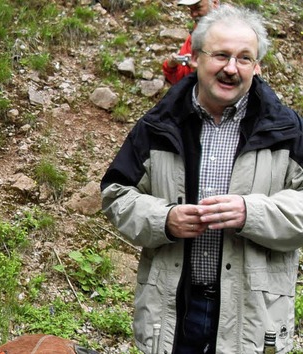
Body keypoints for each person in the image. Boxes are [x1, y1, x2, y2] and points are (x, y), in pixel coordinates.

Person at [102, 5, 303, 354]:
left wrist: (249, 213)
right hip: (174, 307)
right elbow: (117, 195)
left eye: (244, 58)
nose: (230, 68)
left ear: (257, 66)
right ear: (194, 58)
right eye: (221, 55)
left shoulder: (288, 130)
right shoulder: (158, 126)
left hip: (252, 315)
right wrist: (163, 219)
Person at [162, 0, 220, 85]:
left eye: (198, 7)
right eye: (191, 9)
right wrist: (171, 66)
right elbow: (181, 81)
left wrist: (202, 72)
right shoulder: (198, 30)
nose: (193, 14)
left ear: (214, 3)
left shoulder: (234, 34)